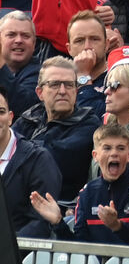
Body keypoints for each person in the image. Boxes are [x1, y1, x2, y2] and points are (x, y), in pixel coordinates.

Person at [31, 121, 129, 245]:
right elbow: (80, 248)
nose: (114, 153)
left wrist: (117, 227)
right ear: (95, 156)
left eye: (120, 148)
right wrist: (58, 222)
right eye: (107, 148)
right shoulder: (87, 193)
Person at [16, 55, 101, 198]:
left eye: (69, 85)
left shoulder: (89, 124)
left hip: (63, 207)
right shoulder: (29, 117)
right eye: (55, 84)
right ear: (40, 93)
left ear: (76, 90)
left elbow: (51, 157)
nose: (62, 91)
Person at [0, 82, 62, 237]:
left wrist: (8, 250)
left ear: (10, 118)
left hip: (19, 256)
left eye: (0, 112)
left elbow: (41, 223)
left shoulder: (38, 159)